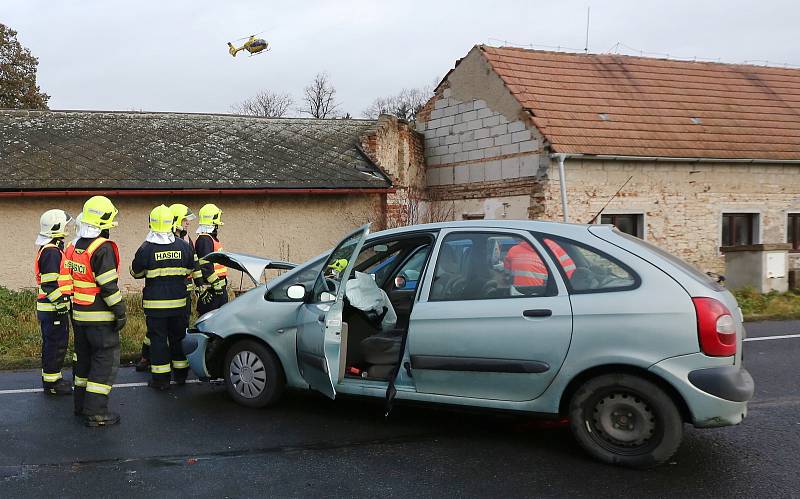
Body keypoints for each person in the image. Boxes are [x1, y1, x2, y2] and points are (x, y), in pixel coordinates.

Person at [66, 196, 126, 427]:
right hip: (100, 317)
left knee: (83, 361)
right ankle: (96, 412)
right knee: (104, 362)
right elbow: (108, 287)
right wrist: (120, 311)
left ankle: (80, 406)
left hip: (79, 315)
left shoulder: (74, 246)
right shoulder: (102, 249)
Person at [130, 205, 195, 389]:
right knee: (178, 338)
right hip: (179, 304)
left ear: (151, 223)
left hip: (155, 306)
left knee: (158, 340)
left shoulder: (146, 248)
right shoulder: (183, 246)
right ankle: (181, 374)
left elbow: (136, 273)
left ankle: (161, 380)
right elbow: (189, 270)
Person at [34, 209, 74, 396]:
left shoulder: (52, 249)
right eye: (65, 225)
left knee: (53, 344)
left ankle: (52, 378)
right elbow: (49, 284)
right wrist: (62, 305)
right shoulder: (51, 252)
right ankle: (52, 384)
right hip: (53, 309)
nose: (67, 228)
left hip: (51, 308)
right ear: (57, 227)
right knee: (55, 345)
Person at [503, 238, 575, 295]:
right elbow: (571, 273)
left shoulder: (513, 251)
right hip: (551, 295)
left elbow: (506, 276)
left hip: (520, 296)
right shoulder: (555, 247)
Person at [194, 203, 228, 317]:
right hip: (212, 290)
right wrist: (216, 283)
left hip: (218, 289)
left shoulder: (210, 239)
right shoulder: (205, 239)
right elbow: (205, 265)